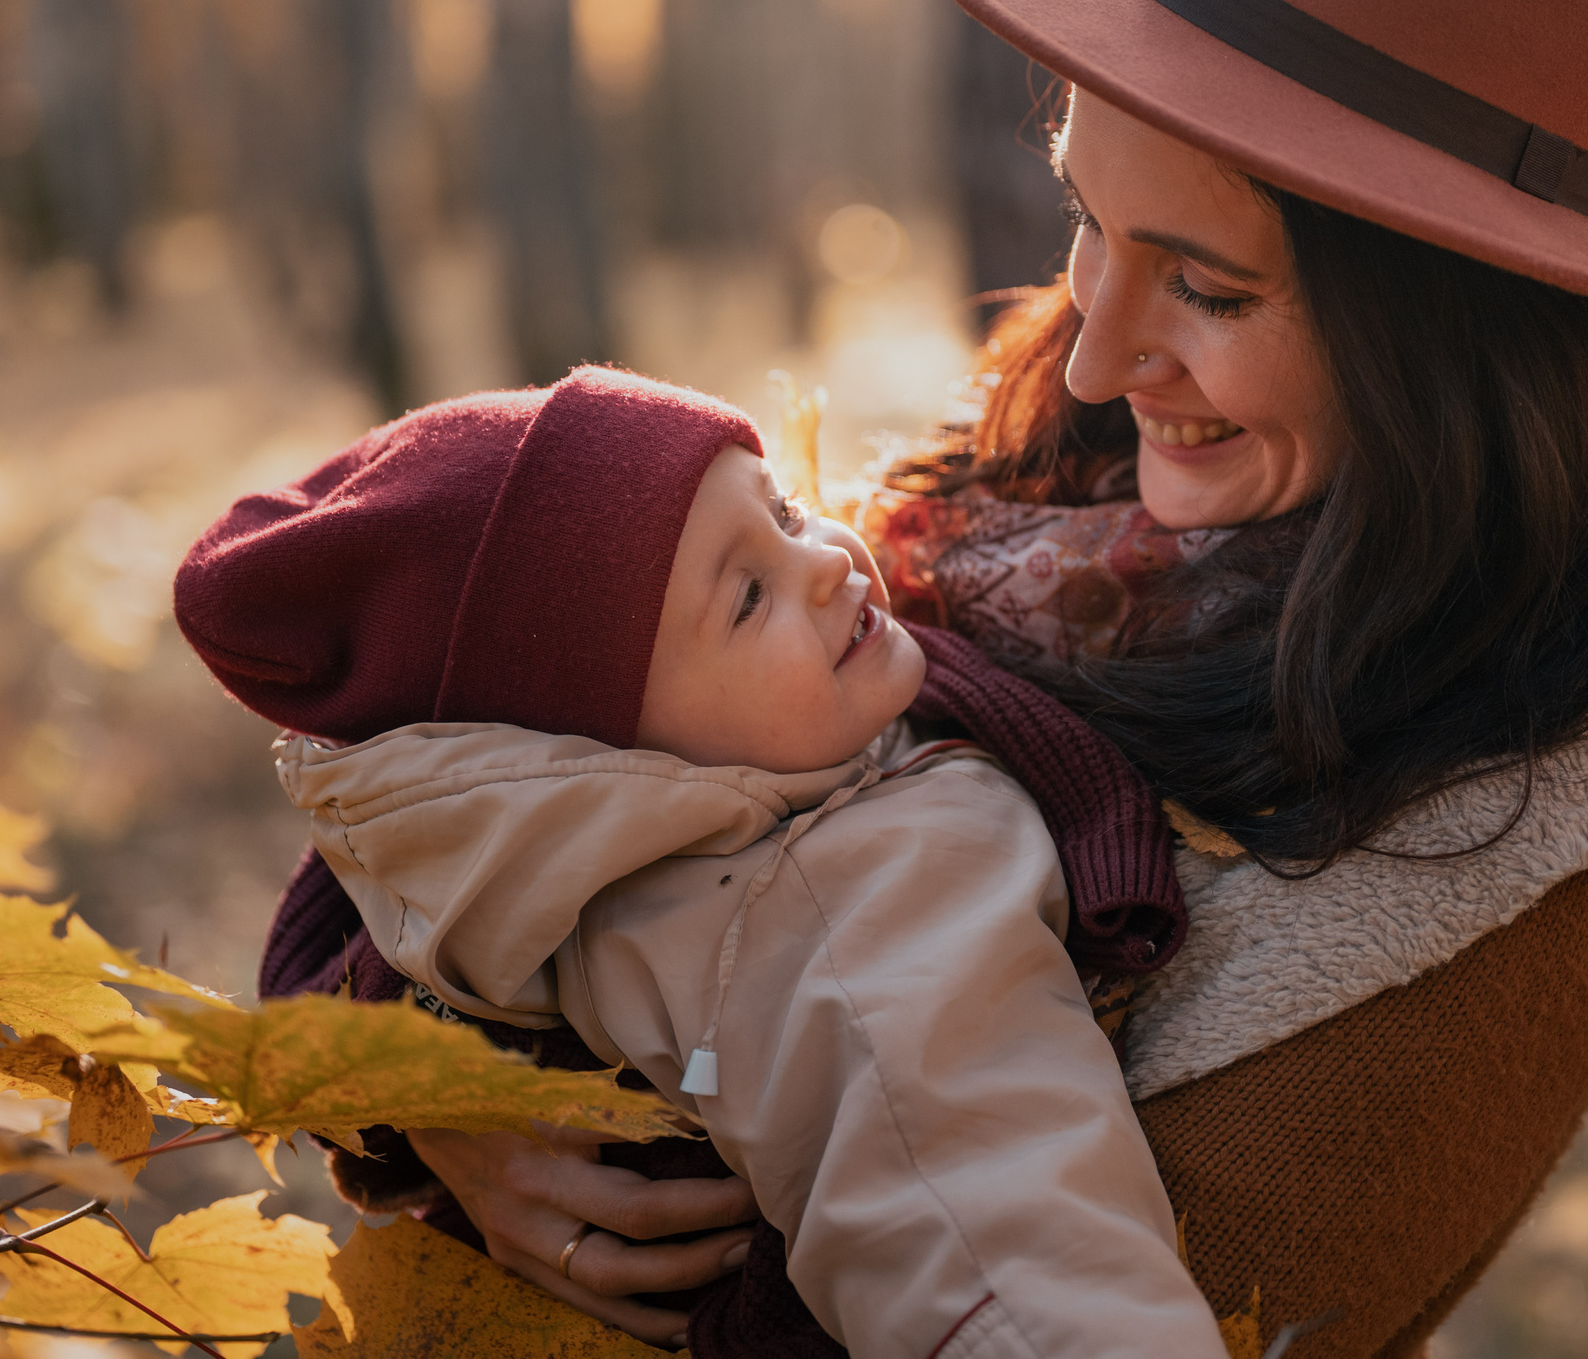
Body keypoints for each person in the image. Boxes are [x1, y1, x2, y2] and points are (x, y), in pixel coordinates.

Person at [263, 0, 1588, 1357]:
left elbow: (1070, 1274)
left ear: (1452, 339)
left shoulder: (1538, 814)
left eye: (1208, 287)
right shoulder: (1038, 486)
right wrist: (443, 1101)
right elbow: (498, 779)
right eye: (1088, 218)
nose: (1092, 356)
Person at [174, 367, 1229, 1359]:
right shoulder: (832, 903)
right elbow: (982, 1221)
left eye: (786, 512)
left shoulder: (741, 786)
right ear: (611, 761)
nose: (826, 561)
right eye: (747, 599)